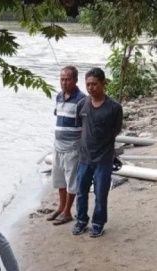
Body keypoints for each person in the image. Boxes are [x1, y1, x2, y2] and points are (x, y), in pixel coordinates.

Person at [72, 68, 123, 237]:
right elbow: (79, 127)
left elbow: (116, 130)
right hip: (84, 158)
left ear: (103, 84)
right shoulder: (82, 104)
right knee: (81, 193)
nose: (91, 88)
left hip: (104, 159)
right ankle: (81, 220)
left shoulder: (114, 108)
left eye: (94, 84)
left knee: (101, 194)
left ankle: (98, 223)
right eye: (88, 84)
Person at [47, 66, 87, 226]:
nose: (64, 82)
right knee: (59, 180)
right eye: (62, 79)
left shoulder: (82, 100)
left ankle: (67, 212)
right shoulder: (59, 97)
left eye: (67, 79)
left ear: (75, 80)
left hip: (72, 148)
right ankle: (61, 207)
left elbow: (85, 125)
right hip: (58, 146)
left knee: (72, 181)